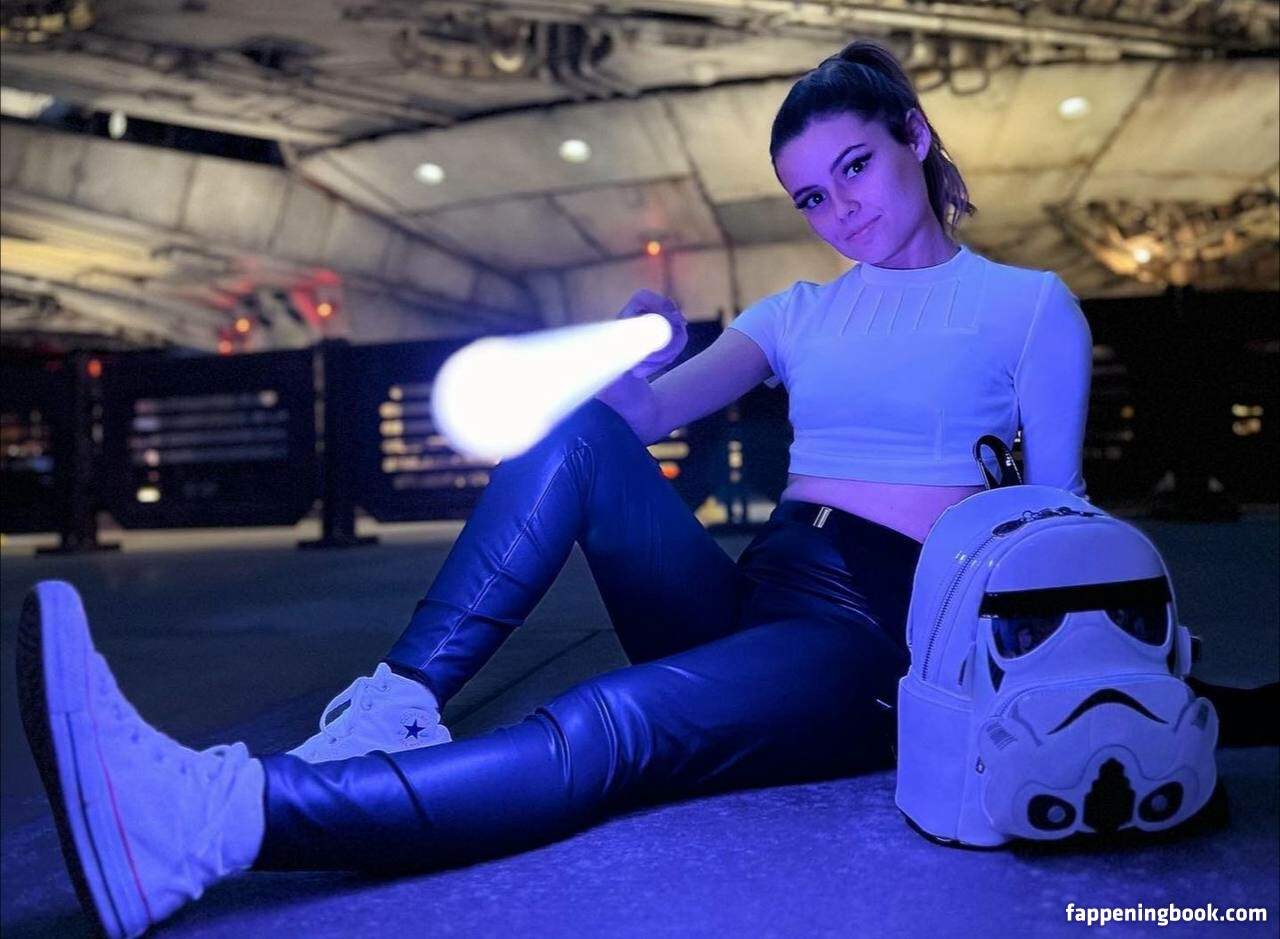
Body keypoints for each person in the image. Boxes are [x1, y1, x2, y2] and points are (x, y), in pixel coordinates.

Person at [16, 40, 1272, 939]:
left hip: (882, 639)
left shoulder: (1026, 307)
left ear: (914, 136)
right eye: (810, 194)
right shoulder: (795, 310)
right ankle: (396, 703)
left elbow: (1060, 526)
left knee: (609, 726)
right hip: (763, 594)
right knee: (576, 436)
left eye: (853, 168)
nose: (837, 209)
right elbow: (639, 425)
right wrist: (631, 366)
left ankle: (220, 819)